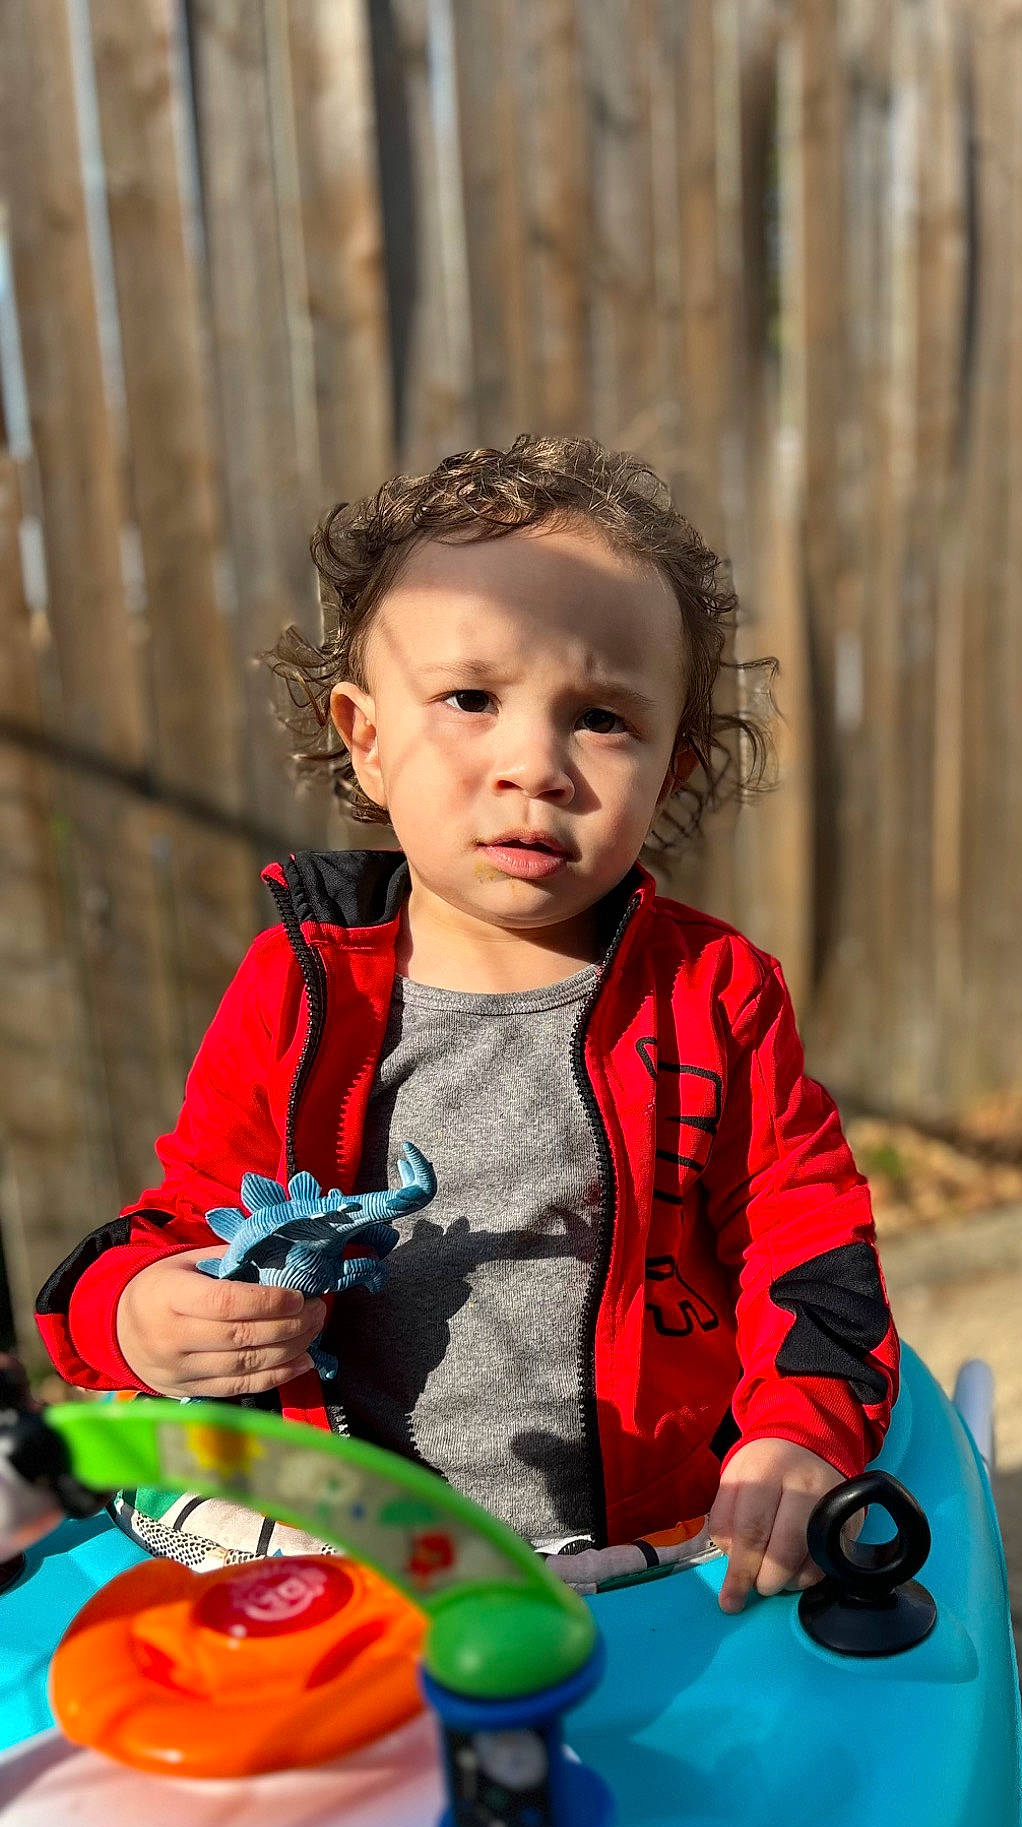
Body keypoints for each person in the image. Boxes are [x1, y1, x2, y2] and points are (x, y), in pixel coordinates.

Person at [34, 439, 899, 1614]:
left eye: (600, 717)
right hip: (340, 1543)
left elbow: (808, 1236)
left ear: (671, 764)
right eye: (471, 699)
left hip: (637, 1540)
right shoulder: (301, 984)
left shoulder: (714, 992)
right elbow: (191, 1214)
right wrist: (139, 1311)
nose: (532, 765)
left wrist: (801, 1432)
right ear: (367, 734)